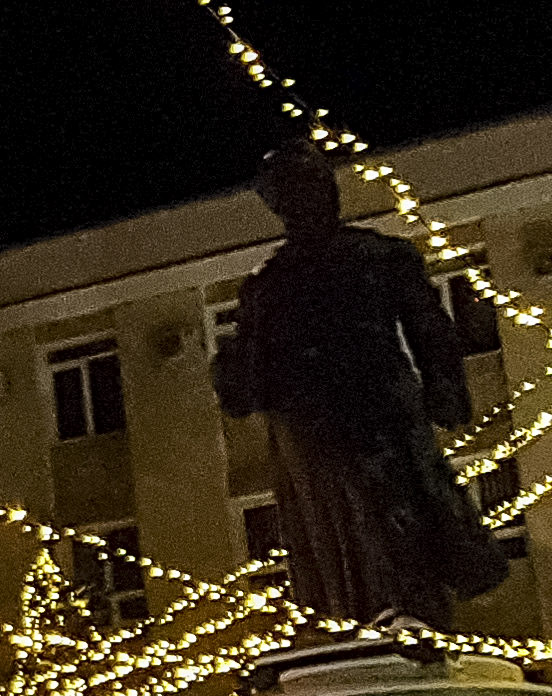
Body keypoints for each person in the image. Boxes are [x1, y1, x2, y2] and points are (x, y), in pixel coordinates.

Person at [211, 143, 510, 630]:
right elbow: (248, 367)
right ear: (279, 206)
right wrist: (231, 375)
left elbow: (429, 325)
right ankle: (355, 614)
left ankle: (408, 604)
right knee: (329, 522)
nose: (313, 197)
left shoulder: (380, 255)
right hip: (306, 422)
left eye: (318, 183)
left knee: (396, 505)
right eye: (295, 190)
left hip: (378, 402)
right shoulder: (268, 283)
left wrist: (445, 387)